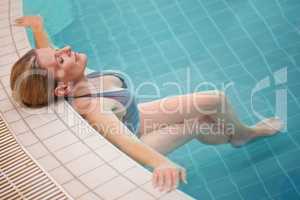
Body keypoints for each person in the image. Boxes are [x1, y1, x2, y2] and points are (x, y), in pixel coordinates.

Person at [10, 16, 283, 192]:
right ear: (62, 87)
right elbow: (128, 144)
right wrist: (161, 164)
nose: (64, 49)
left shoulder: (78, 77)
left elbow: (50, 50)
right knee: (200, 123)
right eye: (59, 58)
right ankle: (243, 136)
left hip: (134, 117)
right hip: (134, 140)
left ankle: (240, 134)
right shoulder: (92, 108)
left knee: (215, 100)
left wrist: (39, 29)